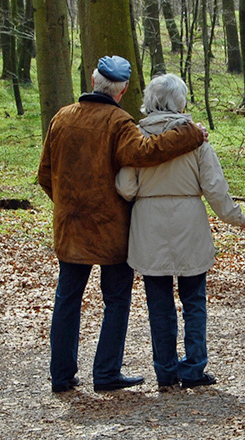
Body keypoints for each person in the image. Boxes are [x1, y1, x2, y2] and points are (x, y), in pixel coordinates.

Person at [37, 56, 207, 394]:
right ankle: (106, 373)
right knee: (115, 300)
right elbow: (146, 153)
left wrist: (68, 206)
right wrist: (190, 134)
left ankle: (61, 376)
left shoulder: (62, 117)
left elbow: (45, 174)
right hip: (110, 230)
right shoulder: (119, 122)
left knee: (67, 299)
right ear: (124, 88)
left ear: (92, 79)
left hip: (70, 228)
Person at [116, 74, 245, 390]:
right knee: (194, 301)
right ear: (180, 102)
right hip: (189, 224)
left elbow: (126, 187)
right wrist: (239, 219)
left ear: (150, 102)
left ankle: (165, 371)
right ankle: (194, 368)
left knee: (159, 304)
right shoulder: (196, 139)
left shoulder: (137, 138)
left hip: (149, 226)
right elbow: (215, 188)